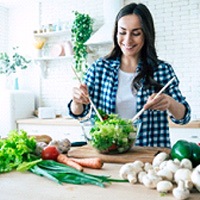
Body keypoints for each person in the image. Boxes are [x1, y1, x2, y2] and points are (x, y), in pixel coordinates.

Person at [68, 3, 191, 148]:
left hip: (149, 156)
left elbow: (184, 117)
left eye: (136, 33)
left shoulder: (162, 70)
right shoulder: (99, 68)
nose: (127, 40)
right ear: (116, 33)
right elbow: (79, 114)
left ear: (146, 34)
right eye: (122, 32)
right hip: (109, 154)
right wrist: (77, 102)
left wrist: (170, 103)